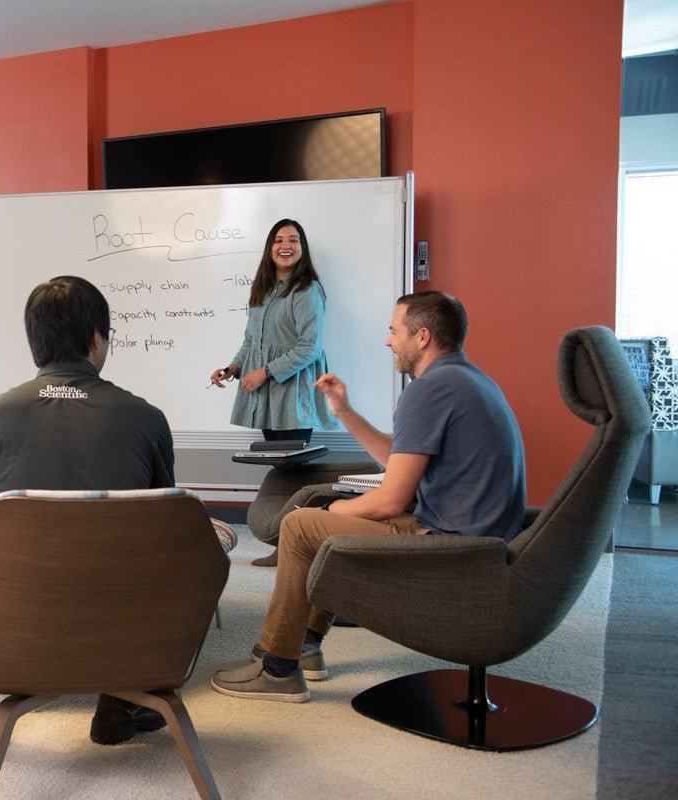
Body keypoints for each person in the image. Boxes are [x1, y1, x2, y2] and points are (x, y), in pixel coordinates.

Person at [211, 290, 525, 702]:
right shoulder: (466, 380)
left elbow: (391, 501)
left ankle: (276, 666)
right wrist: (343, 411)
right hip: (477, 544)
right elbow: (399, 459)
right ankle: (304, 645)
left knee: (302, 522)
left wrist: (340, 508)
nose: (388, 340)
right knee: (325, 518)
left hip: (451, 549)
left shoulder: (428, 391)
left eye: (394, 331)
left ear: (423, 336)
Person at [0, 275, 176, 753]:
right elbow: (161, 523)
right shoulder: (147, 418)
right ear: (97, 338)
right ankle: (127, 699)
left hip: (24, 601)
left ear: (34, 343)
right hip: (117, 597)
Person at [209, 218, 337, 443]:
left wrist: (265, 372)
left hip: (293, 395)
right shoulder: (263, 289)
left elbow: (310, 348)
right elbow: (251, 340)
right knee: (278, 462)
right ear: (270, 248)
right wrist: (232, 367)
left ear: (302, 249)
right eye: (278, 240)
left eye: (293, 240)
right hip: (267, 395)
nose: (285, 246)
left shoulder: (306, 290)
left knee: (291, 467)